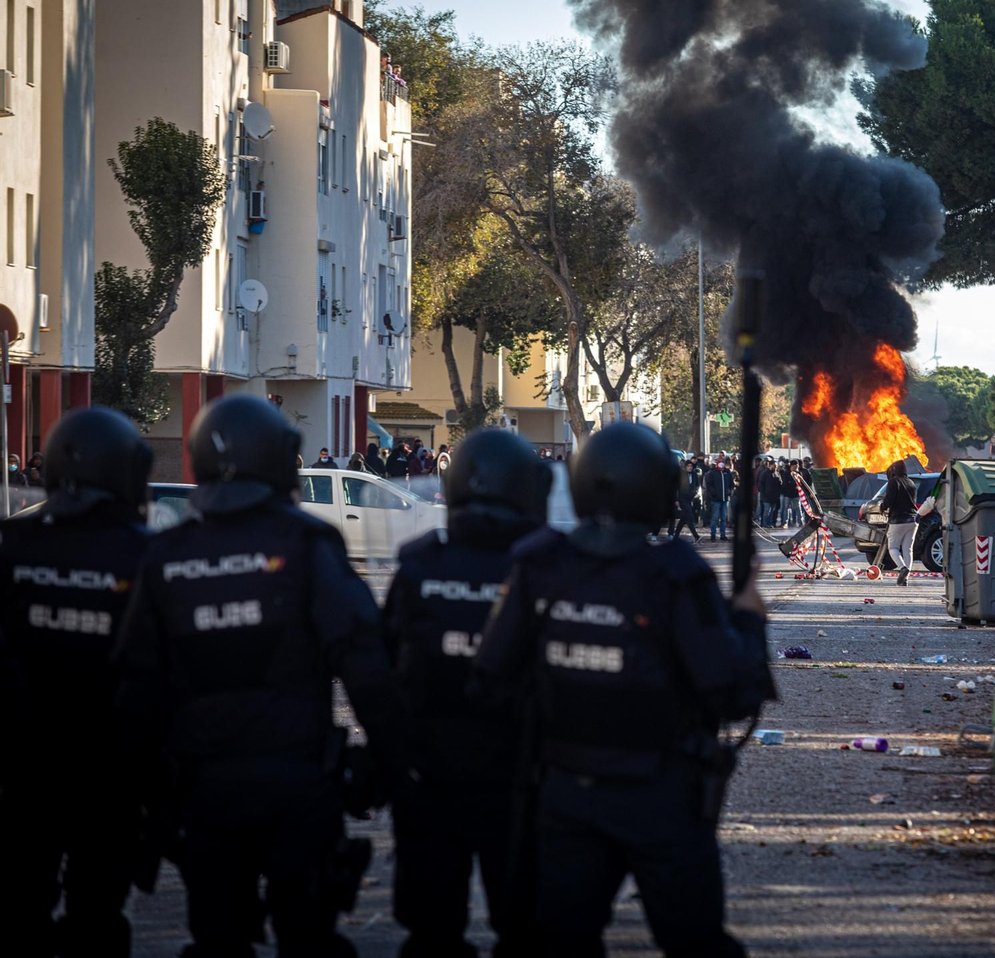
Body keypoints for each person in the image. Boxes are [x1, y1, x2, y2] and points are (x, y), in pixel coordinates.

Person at [114, 395, 414, 956]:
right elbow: (366, 668)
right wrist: (393, 769)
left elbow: (136, 690)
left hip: (202, 790)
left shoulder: (165, 556)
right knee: (307, 936)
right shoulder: (307, 544)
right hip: (297, 784)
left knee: (217, 937)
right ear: (280, 459)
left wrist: (144, 801)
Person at [474, 422, 774, 957]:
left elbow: (491, 678)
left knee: (557, 941)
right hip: (659, 796)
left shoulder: (538, 563)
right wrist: (749, 622)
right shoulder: (677, 573)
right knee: (696, 942)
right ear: (661, 491)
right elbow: (734, 696)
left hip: (563, 792)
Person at [383, 428, 551, 957]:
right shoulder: (547, 569)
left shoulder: (419, 563)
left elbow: (382, 665)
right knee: (529, 931)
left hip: (430, 775)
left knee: (430, 932)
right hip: (521, 777)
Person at [0, 408, 155, 956]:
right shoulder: (145, 555)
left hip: (19, 772)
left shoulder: (11, 545)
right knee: (98, 915)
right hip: (108, 775)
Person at [883, 460, 919, 587]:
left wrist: (882, 507)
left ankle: (902, 568)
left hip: (898, 520)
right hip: (913, 520)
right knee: (908, 549)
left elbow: (889, 499)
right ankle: (905, 579)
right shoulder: (911, 482)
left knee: (893, 547)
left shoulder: (894, 482)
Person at [671, 461, 703, 544]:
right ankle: (696, 536)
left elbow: (697, 485)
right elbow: (675, 488)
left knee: (684, 519)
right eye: (688, 466)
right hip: (682, 498)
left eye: (691, 466)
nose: (690, 467)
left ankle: (676, 537)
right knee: (689, 517)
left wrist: (695, 493)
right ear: (685, 467)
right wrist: (676, 499)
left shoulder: (695, 475)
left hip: (690, 499)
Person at [703, 457, 734, 543]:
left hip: (725, 500)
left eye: (723, 462)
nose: (722, 464)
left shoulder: (727, 473)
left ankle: (722, 535)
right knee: (715, 518)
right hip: (716, 499)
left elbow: (731, 484)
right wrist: (714, 493)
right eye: (720, 462)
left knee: (724, 518)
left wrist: (730, 492)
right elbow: (709, 485)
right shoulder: (713, 473)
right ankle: (713, 535)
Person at [757, 457, 781, 529]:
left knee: (772, 511)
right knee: (766, 510)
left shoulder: (777, 473)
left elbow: (780, 483)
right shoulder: (764, 473)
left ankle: (769, 523)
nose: (775, 467)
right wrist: (763, 493)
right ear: (770, 465)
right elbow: (760, 483)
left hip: (774, 496)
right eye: (774, 465)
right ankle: (764, 524)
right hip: (766, 496)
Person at [778, 460, 801, 528]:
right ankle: (785, 522)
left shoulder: (798, 473)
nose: (795, 467)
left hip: (796, 494)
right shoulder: (786, 473)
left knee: (797, 508)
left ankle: (800, 522)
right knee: (786, 508)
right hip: (787, 494)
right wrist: (793, 484)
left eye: (796, 466)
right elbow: (785, 483)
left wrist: (793, 484)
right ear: (791, 466)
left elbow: (800, 483)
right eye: (794, 466)